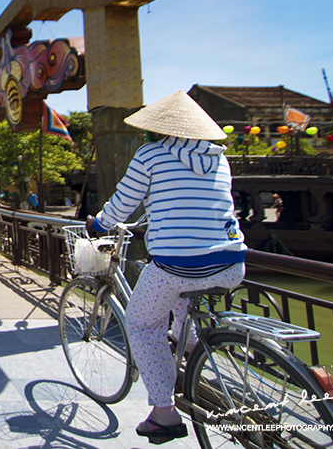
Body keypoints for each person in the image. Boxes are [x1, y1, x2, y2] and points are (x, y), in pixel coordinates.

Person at [87, 91, 246, 442]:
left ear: (159, 129)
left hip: (178, 265)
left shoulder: (151, 154)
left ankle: (163, 413)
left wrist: (99, 223)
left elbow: (123, 204)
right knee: (176, 290)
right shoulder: (221, 159)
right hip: (232, 263)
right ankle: (187, 341)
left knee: (142, 324)